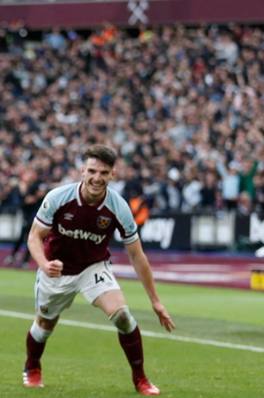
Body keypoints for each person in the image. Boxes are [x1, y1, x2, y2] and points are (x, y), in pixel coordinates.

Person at [24, 144, 175, 396]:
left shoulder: (119, 208)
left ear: (112, 175)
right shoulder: (58, 197)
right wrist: (44, 264)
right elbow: (34, 237)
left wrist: (155, 301)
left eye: (104, 172)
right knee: (44, 325)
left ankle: (141, 379)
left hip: (93, 268)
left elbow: (137, 256)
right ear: (82, 171)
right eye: (92, 171)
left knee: (123, 317)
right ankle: (32, 366)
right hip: (56, 271)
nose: (97, 178)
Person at [5, 169, 46, 268]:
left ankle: (25, 259)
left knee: (30, 237)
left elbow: (41, 194)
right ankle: (14, 256)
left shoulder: (36, 185)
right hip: (26, 214)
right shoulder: (21, 187)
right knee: (22, 237)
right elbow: (22, 201)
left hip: (34, 215)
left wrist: (33, 198)